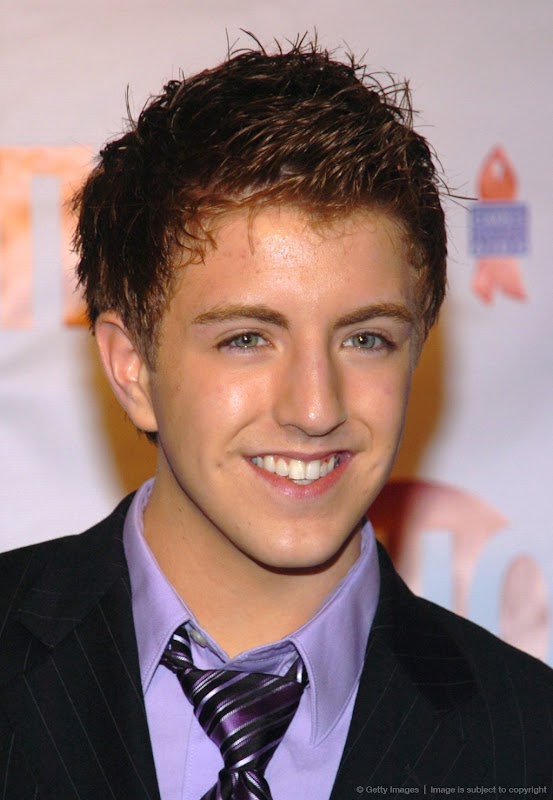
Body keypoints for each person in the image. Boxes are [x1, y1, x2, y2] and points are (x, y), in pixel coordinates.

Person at [0, 40, 552, 800]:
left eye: (366, 339)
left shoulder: (529, 737)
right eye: (247, 339)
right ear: (132, 368)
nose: (315, 409)